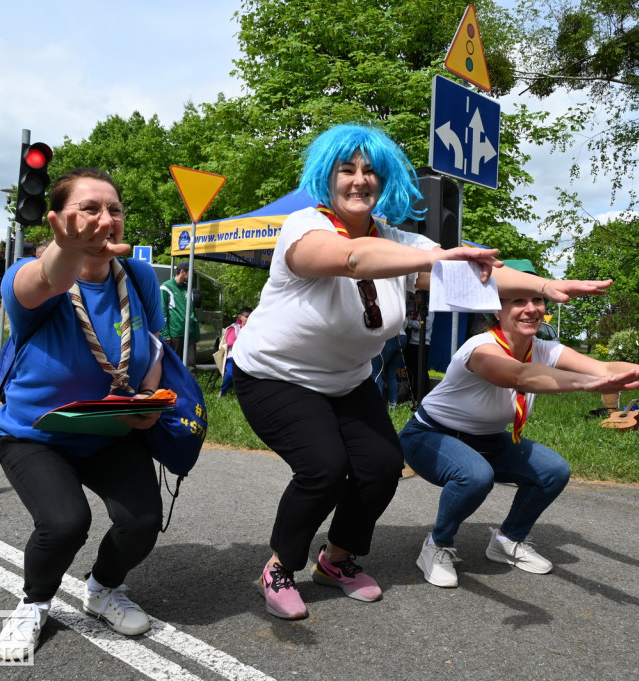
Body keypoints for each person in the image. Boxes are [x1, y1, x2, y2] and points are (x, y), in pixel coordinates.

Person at [231, 122, 613, 620]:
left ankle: (337, 560)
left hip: (346, 382)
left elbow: (482, 277)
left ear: (384, 180)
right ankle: (281, 566)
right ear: (328, 177)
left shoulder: (399, 241)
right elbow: (351, 257)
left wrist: (546, 284)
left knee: (381, 466)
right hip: (274, 376)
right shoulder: (305, 227)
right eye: (347, 170)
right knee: (323, 468)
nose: (359, 180)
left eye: (370, 171)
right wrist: (433, 257)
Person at [400, 291, 639, 588]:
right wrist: (580, 384)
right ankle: (438, 545)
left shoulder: (543, 348)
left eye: (537, 300)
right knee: (475, 475)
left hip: (488, 439)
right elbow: (520, 376)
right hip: (430, 435)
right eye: (518, 301)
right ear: (497, 311)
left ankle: (507, 540)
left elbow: (605, 369)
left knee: (553, 470)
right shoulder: (481, 348)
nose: (531, 309)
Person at [0, 168, 167, 660]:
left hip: (110, 431)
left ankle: (102, 588)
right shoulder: (26, 276)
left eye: (113, 209)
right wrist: (67, 249)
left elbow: (153, 346)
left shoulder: (138, 277)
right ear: (58, 218)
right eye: (89, 208)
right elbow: (46, 278)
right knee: (66, 522)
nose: (104, 218)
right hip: (35, 435)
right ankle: (34, 603)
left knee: (142, 521)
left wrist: (148, 400)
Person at [161, 261, 201, 375]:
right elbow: (162, 311)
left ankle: (190, 390)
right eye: (191, 273)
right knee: (171, 365)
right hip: (174, 334)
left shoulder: (189, 289)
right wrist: (165, 333)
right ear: (183, 272)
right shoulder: (166, 287)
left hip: (190, 333)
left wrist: (196, 332)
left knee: (191, 366)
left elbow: (193, 312)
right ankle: (170, 390)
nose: (192, 276)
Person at [404, 290, 434, 403]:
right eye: (415, 294)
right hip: (410, 341)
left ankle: (424, 396)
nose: (416, 296)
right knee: (411, 369)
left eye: (419, 294)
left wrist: (410, 322)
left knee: (420, 370)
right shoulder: (410, 306)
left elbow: (425, 324)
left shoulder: (429, 308)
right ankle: (412, 395)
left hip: (422, 343)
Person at [219, 307, 251, 396]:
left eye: (250, 316)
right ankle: (223, 390)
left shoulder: (253, 329)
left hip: (248, 357)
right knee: (230, 374)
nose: (248, 319)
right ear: (240, 317)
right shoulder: (234, 328)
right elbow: (229, 342)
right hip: (233, 357)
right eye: (246, 316)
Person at [372, 327, 407, 408]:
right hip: (402, 336)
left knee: (375, 371)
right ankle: (392, 405)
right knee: (391, 374)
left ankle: (377, 406)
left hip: (390, 336)